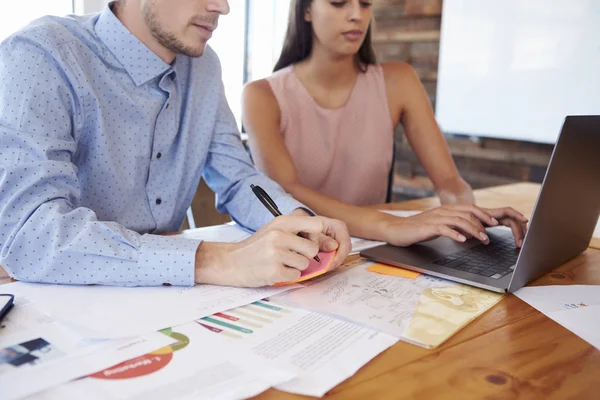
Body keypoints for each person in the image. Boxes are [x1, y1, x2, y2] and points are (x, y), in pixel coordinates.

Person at [0, 0, 351, 288]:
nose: (224, 7)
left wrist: (300, 222)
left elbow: (237, 178)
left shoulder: (204, 67)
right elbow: (31, 235)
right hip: (60, 302)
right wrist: (217, 261)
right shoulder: (41, 55)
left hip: (171, 301)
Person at [242, 0, 528, 248]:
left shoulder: (398, 80)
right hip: (307, 248)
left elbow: (450, 182)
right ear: (305, 10)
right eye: (338, 2)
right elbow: (287, 192)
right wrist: (392, 226)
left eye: (365, 3)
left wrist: (472, 217)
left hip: (374, 249)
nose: (357, 14)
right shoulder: (261, 96)